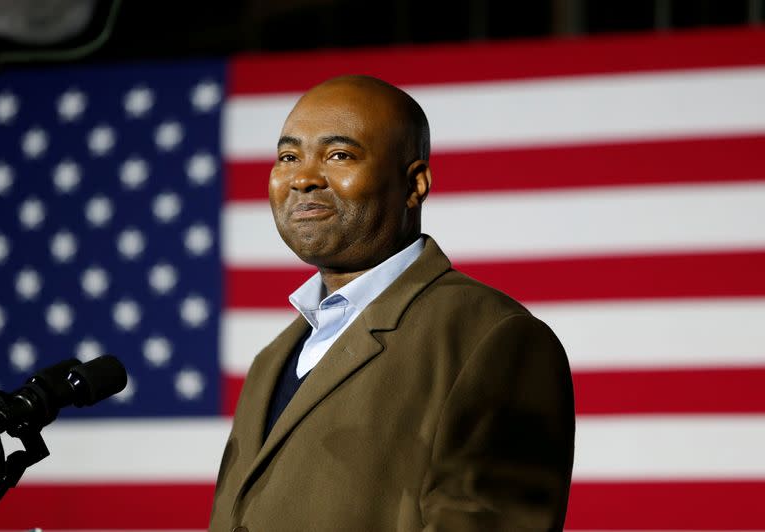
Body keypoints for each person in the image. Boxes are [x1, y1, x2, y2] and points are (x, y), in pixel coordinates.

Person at [209, 75, 574, 532]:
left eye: (339, 155)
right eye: (288, 157)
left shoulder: (491, 338)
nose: (302, 178)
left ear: (415, 183)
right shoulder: (273, 358)